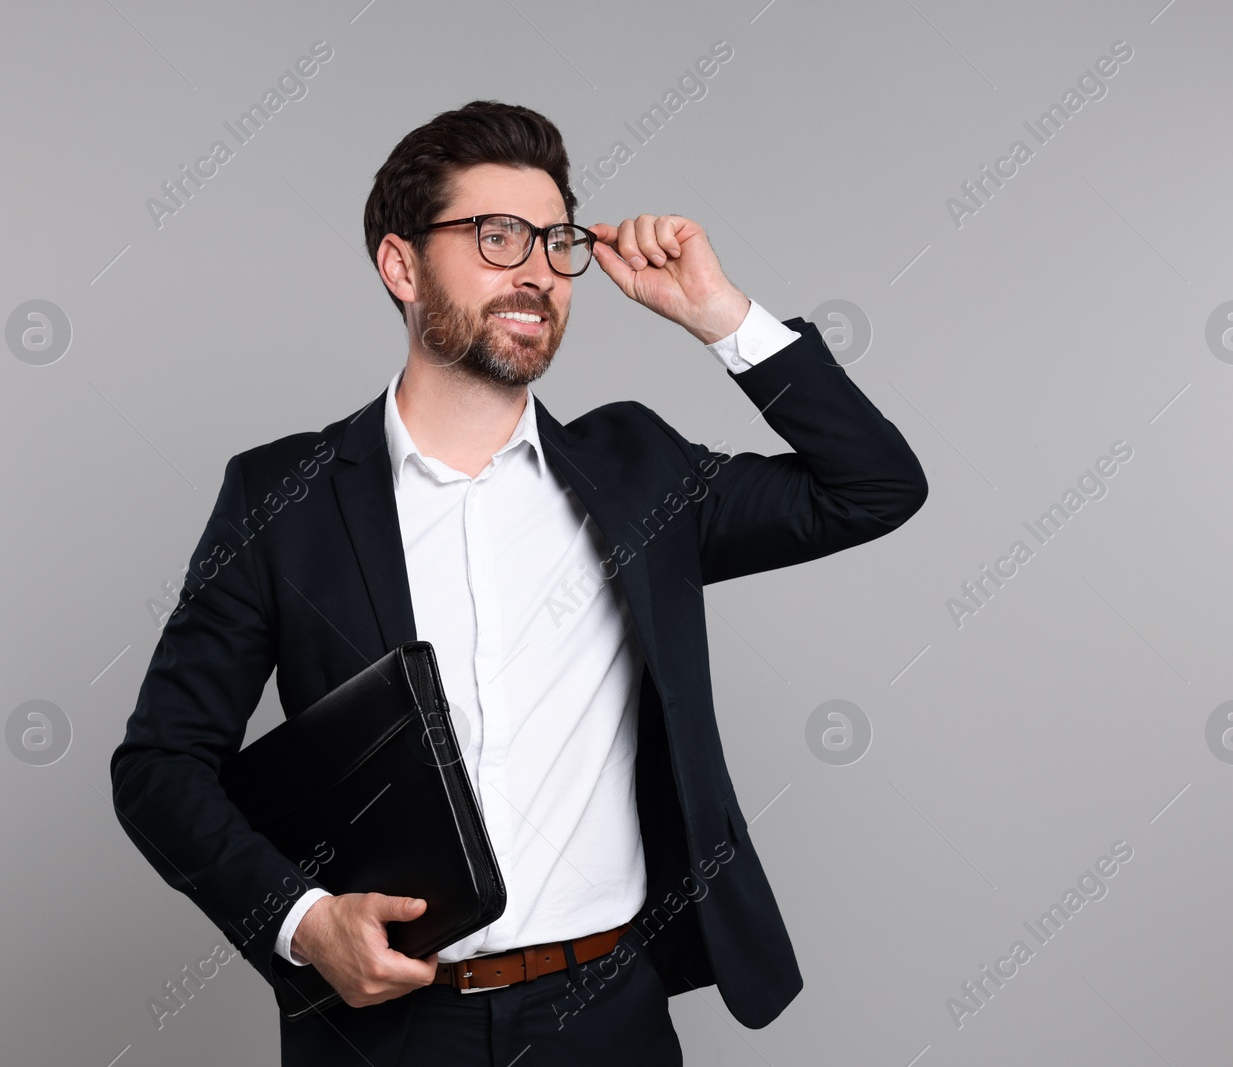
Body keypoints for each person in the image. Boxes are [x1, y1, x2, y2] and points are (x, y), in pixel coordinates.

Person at [110, 99, 928, 1066]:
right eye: (497, 237)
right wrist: (301, 920)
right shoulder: (281, 496)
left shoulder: (640, 474)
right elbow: (160, 765)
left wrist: (718, 314)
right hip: (389, 1034)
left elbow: (874, 486)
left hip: (607, 1017)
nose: (537, 268)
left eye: (556, 240)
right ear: (401, 266)